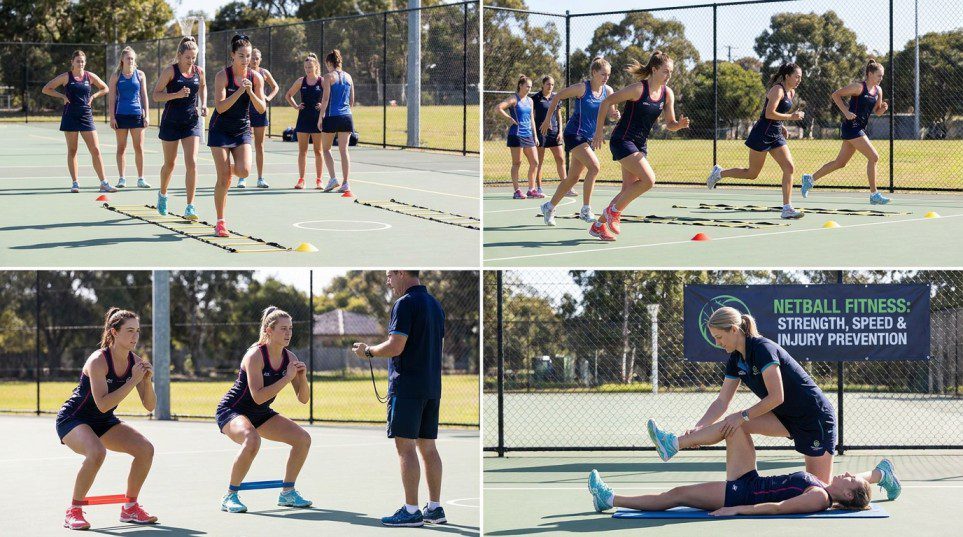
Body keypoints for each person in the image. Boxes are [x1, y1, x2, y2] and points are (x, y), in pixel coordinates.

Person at [646, 306, 902, 501]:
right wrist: (699, 426)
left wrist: (743, 415)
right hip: (786, 416)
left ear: (734, 330)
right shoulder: (736, 359)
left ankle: (880, 474)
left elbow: (776, 396)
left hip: (814, 418)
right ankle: (673, 444)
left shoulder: (763, 349)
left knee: (823, 490)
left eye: (718, 337)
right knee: (734, 424)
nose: (717, 343)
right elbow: (722, 400)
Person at [587, 422, 871, 516]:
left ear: (847, 496)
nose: (847, 474)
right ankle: (675, 443)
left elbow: (777, 507)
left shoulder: (820, 498)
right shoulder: (822, 485)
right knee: (734, 427)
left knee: (677, 494)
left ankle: (610, 499)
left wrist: (735, 509)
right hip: (750, 478)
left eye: (852, 480)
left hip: (741, 494)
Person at [352, 271, 447, 527]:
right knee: (428, 447)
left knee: (405, 448)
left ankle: (411, 510)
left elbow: (396, 346)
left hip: (407, 388)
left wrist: (368, 352)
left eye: (390, 275)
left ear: (402, 273)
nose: (387, 281)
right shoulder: (435, 304)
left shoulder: (404, 303)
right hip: (431, 387)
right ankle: (435, 509)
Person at [56, 308, 158, 530]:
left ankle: (130, 507)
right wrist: (132, 380)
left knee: (145, 449)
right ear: (114, 332)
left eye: (138, 331)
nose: (135, 336)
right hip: (73, 418)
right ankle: (73, 511)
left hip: (103, 421)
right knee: (96, 452)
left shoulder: (137, 363)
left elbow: (150, 406)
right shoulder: (98, 360)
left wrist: (146, 381)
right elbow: (102, 403)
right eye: (129, 331)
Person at [582, 51, 690, 241]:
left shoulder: (667, 93)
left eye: (671, 72)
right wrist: (599, 132)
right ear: (654, 70)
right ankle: (613, 212)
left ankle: (599, 225)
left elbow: (670, 123)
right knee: (649, 180)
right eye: (666, 71)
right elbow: (606, 101)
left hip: (639, 144)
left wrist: (678, 126)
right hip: (622, 140)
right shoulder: (638, 89)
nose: (669, 75)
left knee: (627, 191)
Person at [216, 307, 312, 513]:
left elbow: (303, 399)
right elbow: (258, 396)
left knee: (303, 439)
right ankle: (230, 496)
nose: (288, 333)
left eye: (290, 329)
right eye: (283, 329)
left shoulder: (290, 357)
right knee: (252, 440)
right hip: (232, 410)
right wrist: (287, 377)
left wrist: (301, 378)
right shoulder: (255, 355)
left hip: (259, 413)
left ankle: (287, 493)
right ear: (269, 330)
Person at [707, 63, 806, 219]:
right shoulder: (777, 90)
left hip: (776, 135)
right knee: (752, 174)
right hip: (762, 134)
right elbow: (768, 113)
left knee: (789, 167)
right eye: (797, 76)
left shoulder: (791, 92)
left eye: (801, 77)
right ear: (787, 76)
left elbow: (776, 115)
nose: (799, 80)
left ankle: (787, 208)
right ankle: (720, 173)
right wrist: (791, 117)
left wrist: (781, 126)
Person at [539, 57, 619, 222]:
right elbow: (557, 97)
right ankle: (585, 209)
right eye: (603, 74)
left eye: (608, 75)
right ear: (594, 72)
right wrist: (547, 119)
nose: (606, 77)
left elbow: (611, 115)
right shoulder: (582, 88)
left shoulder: (608, 91)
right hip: (574, 134)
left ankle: (549, 207)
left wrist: (615, 115)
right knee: (595, 167)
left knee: (573, 178)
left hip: (587, 138)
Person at [802, 59, 890, 204]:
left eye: (882, 76)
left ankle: (809, 179)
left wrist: (883, 109)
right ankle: (874, 195)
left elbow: (877, 112)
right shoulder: (858, 87)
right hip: (851, 127)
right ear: (870, 74)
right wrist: (846, 112)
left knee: (840, 163)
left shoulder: (878, 90)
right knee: (874, 157)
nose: (881, 79)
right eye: (879, 76)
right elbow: (835, 95)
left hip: (860, 128)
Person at [208, 34, 266, 237]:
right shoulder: (222, 76)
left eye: (248, 56)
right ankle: (220, 222)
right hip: (220, 129)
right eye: (241, 55)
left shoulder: (256, 77)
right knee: (223, 179)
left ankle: (226, 169)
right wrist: (240, 91)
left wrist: (250, 93)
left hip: (242, 129)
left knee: (244, 171)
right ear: (233, 55)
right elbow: (221, 107)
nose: (245, 59)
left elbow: (261, 108)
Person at [42, 50, 114, 194]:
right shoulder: (66, 77)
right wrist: (62, 96)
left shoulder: (90, 76)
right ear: (72, 62)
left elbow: (105, 88)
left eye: (82, 61)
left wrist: (94, 96)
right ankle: (75, 183)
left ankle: (104, 183)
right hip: (70, 116)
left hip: (86, 116)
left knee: (96, 150)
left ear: (85, 62)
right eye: (77, 61)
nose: (80, 63)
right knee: (72, 150)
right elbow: (46, 89)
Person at [153, 36, 206, 220]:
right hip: (171, 122)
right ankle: (162, 195)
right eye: (187, 58)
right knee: (170, 164)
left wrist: (204, 103)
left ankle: (190, 206)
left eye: (193, 58)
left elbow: (203, 87)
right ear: (180, 55)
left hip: (191, 122)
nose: (191, 61)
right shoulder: (171, 71)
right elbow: (156, 96)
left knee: (192, 162)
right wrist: (176, 94)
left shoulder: (199, 71)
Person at [284, 53, 337, 190]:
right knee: (303, 151)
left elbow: (330, 96)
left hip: (317, 120)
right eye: (306, 67)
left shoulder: (321, 81)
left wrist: (323, 106)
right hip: (303, 119)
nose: (308, 69)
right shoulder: (301, 81)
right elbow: (288, 95)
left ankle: (319, 180)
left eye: (310, 67)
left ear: (316, 67)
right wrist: (296, 106)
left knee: (318, 151)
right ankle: (301, 180)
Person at [108, 46, 150, 189]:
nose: (131, 61)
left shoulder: (140, 75)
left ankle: (141, 179)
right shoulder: (116, 76)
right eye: (128, 58)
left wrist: (147, 115)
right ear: (122, 60)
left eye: (132, 58)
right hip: (121, 115)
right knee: (121, 148)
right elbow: (112, 97)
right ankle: (122, 179)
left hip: (137, 114)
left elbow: (144, 95)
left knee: (139, 147)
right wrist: (112, 117)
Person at [496, 75, 541, 199]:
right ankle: (517, 191)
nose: (529, 89)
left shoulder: (530, 101)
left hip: (528, 135)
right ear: (520, 85)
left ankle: (531, 189)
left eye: (530, 87)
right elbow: (498, 108)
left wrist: (535, 136)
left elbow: (532, 118)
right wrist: (508, 118)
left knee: (535, 162)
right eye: (527, 86)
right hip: (516, 135)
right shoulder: (513, 99)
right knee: (517, 163)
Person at [317, 49, 355, 194]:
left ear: (329, 62)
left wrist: (321, 117)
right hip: (347, 117)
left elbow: (325, 99)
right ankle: (346, 182)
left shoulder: (328, 77)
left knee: (326, 149)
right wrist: (345, 111)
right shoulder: (349, 77)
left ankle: (333, 178)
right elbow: (351, 100)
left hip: (332, 116)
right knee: (344, 150)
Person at [242, 48, 280, 189]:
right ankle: (242, 178)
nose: (254, 60)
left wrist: (268, 98)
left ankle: (260, 178)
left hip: (259, 111)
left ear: (260, 60)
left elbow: (275, 87)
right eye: (252, 58)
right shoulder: (244, 72)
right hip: (245, 110)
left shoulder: (264, 73)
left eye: (257, 58)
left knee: (259, 145)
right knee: (244, 145)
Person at [532, 75, 572, 198]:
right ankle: (538, 188)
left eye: (552, 84)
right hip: (541, 132)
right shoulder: (535, 98)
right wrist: (534, 134)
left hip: (554, 132)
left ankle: (566, 187)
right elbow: (532, 117)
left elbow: (559, 116)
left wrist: (560, 131)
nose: (550, 86)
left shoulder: (556, 97)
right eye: (548, 84)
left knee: (560, 159)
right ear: (543, 85)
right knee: (539, 161)